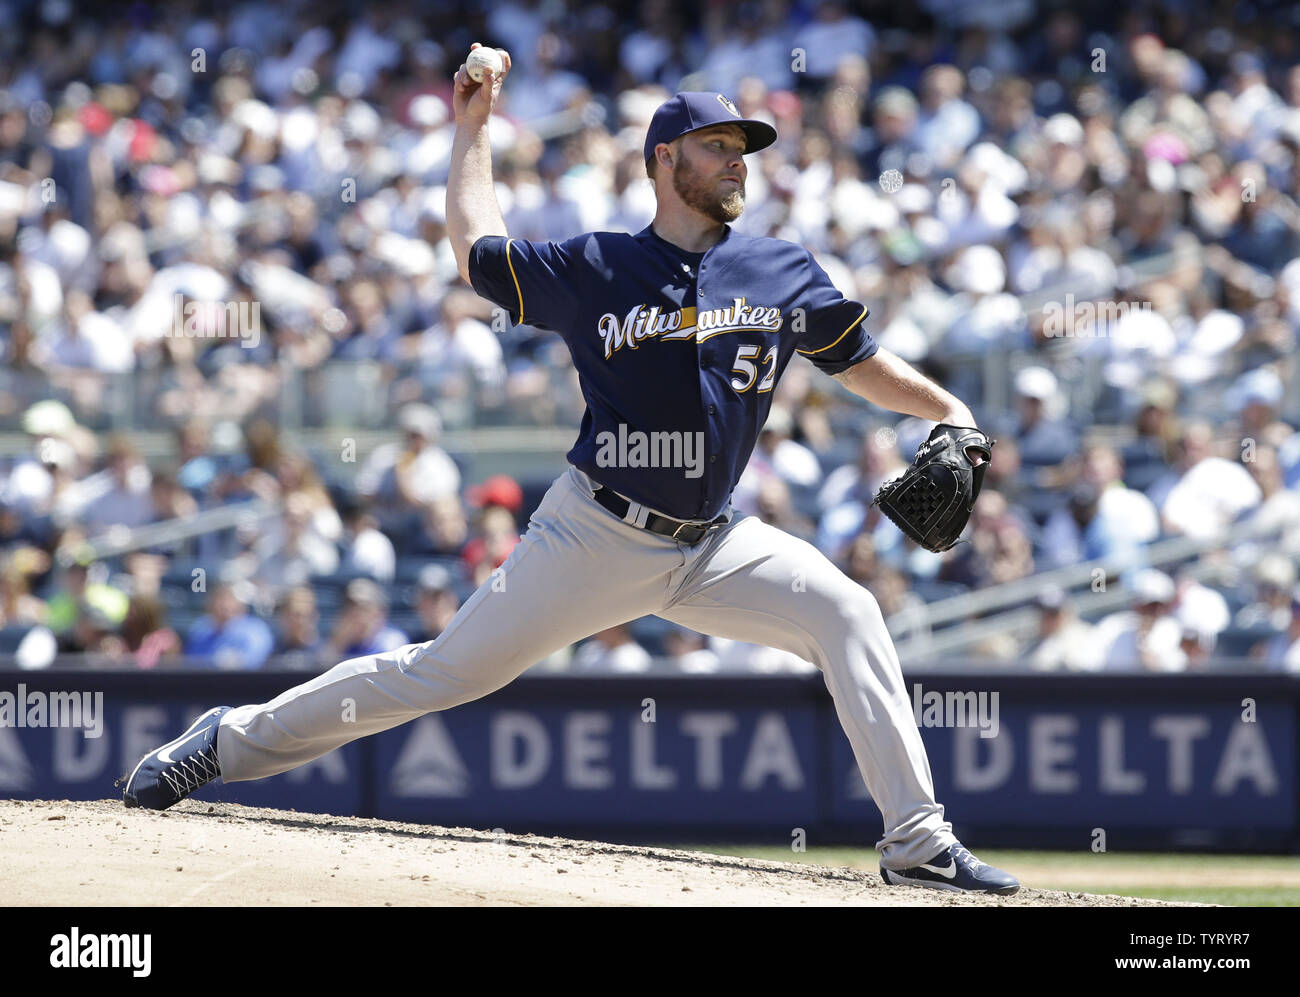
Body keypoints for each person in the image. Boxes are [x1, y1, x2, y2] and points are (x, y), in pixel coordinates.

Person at [123, 52, 1018, 896]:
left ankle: (917, 842)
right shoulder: (598, 266)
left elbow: (857, 361)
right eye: (717, 145)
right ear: (664, 159)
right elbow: (478, 250)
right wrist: (474, 127)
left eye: (742, 148)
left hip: (716, 541)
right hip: (595, 532)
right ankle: (223, 743)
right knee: (438, 674)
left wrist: (947, 408)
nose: (737, 161)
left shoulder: (780, 267)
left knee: (849, 612)